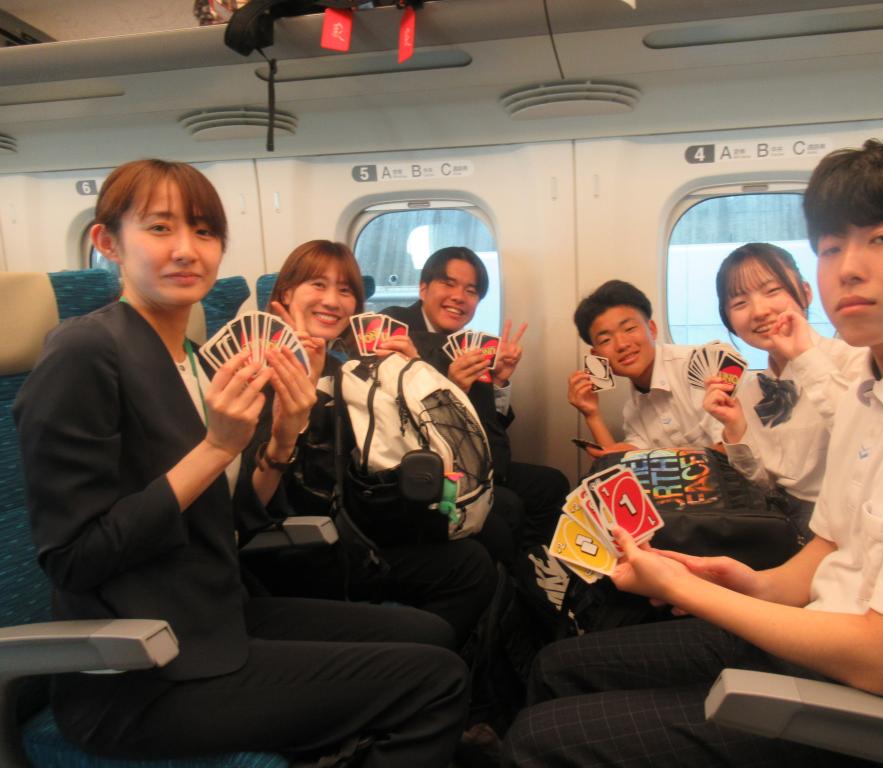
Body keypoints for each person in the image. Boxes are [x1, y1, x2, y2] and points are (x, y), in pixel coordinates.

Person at [503, 139, 883, 767]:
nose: (848, 269)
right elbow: (830, 548)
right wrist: (750, 582)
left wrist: (694, 593)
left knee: (539, 739)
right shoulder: (871, 391)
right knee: (557, 668)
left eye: (882, 239)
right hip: (819, 632)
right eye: (831, 247)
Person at [14, 160, 468, 766]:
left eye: (204, 231)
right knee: (435, 682)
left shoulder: (195, 359)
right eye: (159, 227)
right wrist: (217, 448)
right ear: (107, 242)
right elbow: (75, 558)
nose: (186, 249)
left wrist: (281, 440)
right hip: (139, 669)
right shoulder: (85, 353)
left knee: (432, 633)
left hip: (216, 614)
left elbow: (231, 524)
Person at [246, 238, 496, 648]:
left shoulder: (342, 365)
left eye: (345, 290)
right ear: (286, 294)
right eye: (317, 285)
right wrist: (289, 427)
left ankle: (437, 666)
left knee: (475, 543)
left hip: (353, 519)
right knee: (469, 570)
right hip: (305, 544)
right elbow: (250, 505)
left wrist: (410, 371)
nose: (332, 301)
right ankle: (420, 666)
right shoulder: (259, 372)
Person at [381, 246, 569, 557]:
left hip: (480, 461)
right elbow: (392, 414)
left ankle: (537, 563)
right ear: (423, 288)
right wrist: (451, 388)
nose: (459, 297)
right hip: (428, 470)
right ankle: (513, 573)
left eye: (471, 291)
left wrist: (499, 383)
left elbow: (488, 424)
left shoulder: (469, 345)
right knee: (508, 506)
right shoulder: (395, 329)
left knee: (551, 484)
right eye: (449, 284)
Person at [704, 242, 867, 528]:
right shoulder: (750, 389)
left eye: (772, 291)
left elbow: (864, 440)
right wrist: (735, 427)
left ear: (805, 293)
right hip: (780, 523)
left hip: (844, 520)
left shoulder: (856, 360)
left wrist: (805, 357)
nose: (759, 311)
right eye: (740, 303)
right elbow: (764, 485)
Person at [568, 280, 722, 454]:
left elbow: (729, 449)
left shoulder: (700, 367)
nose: (622, 344)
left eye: (629, 329)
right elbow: (618, 461)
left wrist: (657, 458)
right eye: (606, 340)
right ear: (597, 357)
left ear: (652, 329)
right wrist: (592, 415)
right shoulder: (633, 411)